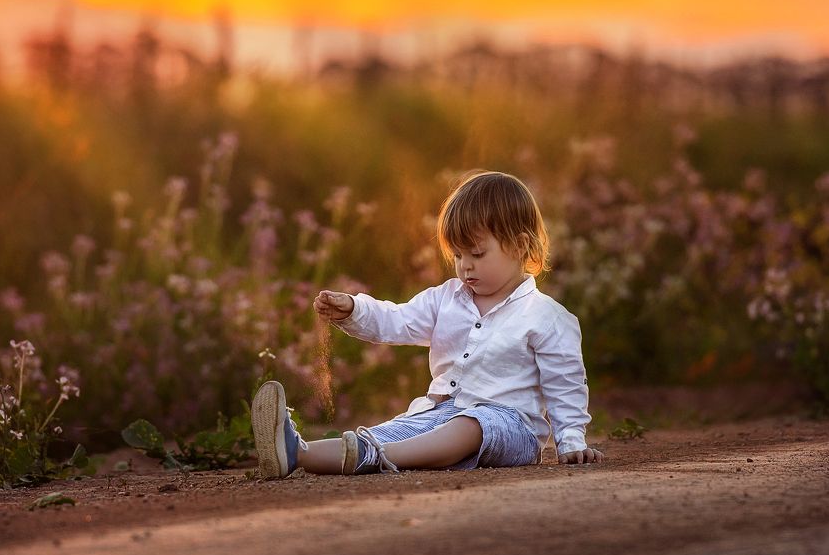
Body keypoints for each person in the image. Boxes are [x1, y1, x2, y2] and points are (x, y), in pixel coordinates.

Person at [251, 170, 603, 479]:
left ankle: (379, 458)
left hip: (510, 427)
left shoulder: (547, 317)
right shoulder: (445, 299)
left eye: (477, 254)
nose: (465, 266)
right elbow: (397, 320)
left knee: (472, 425)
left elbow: (565, 382)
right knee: (388, 431)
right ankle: (297, 452)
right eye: (458, 256)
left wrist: (571, 440)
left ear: (521, 246)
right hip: (438, 415)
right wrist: (354, 309)